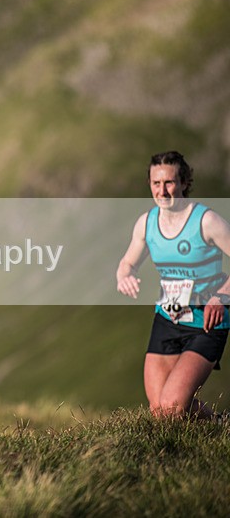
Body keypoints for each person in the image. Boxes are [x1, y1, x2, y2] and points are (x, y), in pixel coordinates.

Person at [117, 151, 230, 419]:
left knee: (173, 406)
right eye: (156, 183)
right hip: (167, 320)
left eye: (169, 182)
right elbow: (126, 263)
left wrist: (222, 297)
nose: (163, 191)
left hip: (206, 322)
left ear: (183, 183)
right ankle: (219, 425)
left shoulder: (206, 221)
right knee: (161, 411)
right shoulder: (146, 224)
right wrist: (125, 277)